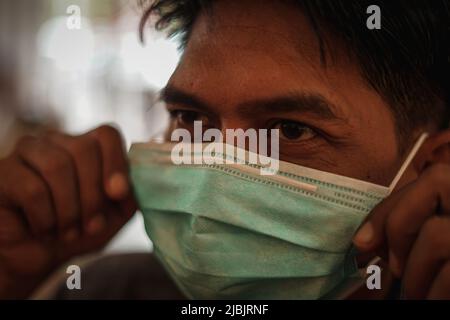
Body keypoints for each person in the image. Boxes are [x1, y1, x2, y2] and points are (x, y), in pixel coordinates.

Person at [0, 0, 449, 299]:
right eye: (191, 119)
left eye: (290, 130)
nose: (214, 174)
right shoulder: (110, 290)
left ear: (430, 164)